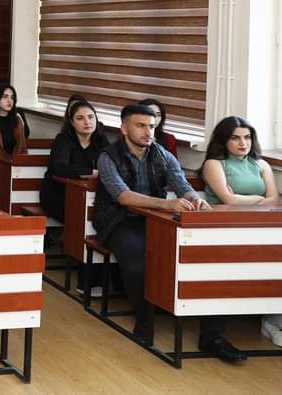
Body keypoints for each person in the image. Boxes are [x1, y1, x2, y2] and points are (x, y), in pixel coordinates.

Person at [93, 104, 241, 361]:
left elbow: (182, 185)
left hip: (157, 220)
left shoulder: (162, 154)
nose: (148, 132)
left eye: (152, 126)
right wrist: (167, 204)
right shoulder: (108, 156)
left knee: (207, 257)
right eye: (141, 126)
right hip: (118, 220)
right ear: (124, 128)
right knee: (137, 261)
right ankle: (144, 320)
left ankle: (212, 336)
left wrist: (196, 200)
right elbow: (123, 197)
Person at [199, 118, 282, 347]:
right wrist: (258, 199)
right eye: (235, 138)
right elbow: (228, 199)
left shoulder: (262, 164)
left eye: (247, 137)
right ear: (224, 140)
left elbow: (274, 200)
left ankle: (274, 320)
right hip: (224, 229)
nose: (243, 143)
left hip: (260, 228)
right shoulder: (214, 164)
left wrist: (242, 199)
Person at [40, 99, 108, 222]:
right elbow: (59, 168)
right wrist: (94, 173)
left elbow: (111, 165)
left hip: (89, 193)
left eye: (91, 117)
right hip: (59, 194)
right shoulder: (63, 139)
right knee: (85, 213)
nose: (87, 122)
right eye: (80, 118)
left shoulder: (101, 140)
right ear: (72, 122)